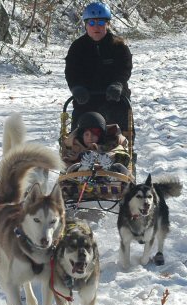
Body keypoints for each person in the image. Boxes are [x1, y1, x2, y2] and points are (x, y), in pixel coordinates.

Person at [65, 2, 133, 135]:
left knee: (120, 134)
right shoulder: (77, 47)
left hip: (115, 98)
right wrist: (76, 87)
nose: (96, 27)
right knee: (78, 137)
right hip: (85, 99)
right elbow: (71, 71)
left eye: (101, 23)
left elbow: (124, 68)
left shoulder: (119, 46)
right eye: (91, 23)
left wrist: (118, 84)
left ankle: (123, 153)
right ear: (85, 25)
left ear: (107, 24)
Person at [62, 111, 131, 177]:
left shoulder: (111, 143)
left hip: (109, 173)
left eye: (94, 135)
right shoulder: (75, 145)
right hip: (79, 177)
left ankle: (108, 167)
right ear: (81, 136)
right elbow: (66, 161)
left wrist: (105, 156)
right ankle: (85, 167)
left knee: (119, 157)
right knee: (72, 165)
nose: (90, 138)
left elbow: (120, 148)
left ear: (100, 136)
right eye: (86, 134)